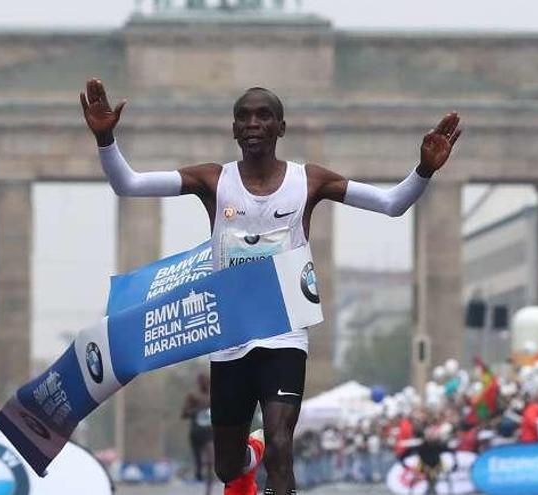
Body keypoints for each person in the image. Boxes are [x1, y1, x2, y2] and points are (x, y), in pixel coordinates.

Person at [80, 78, 461, 495]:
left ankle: (269, 449)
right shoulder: (213, 180)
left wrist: (423, 170)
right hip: (230, 336)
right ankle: (252, 448)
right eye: (243, 116)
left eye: (264, 116)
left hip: (284, 332)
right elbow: (128, 184)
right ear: (233, 130)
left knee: (283, 445)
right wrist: (105, 138)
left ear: (281, 127)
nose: (253, 123)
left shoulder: (310, 181)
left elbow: (391, 204)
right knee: (228, 466)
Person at [181, 372, 214, 488]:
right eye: (203, 382)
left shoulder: (213, 396)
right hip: (196, 432)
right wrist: (196, 410)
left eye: (207, 382)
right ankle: (199, 471)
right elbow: (184, 414)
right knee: (198, 460)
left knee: (211, 458)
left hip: (209, 432)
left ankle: (208, 487)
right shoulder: (193, 396)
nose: (206, 384)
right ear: (199, 383)